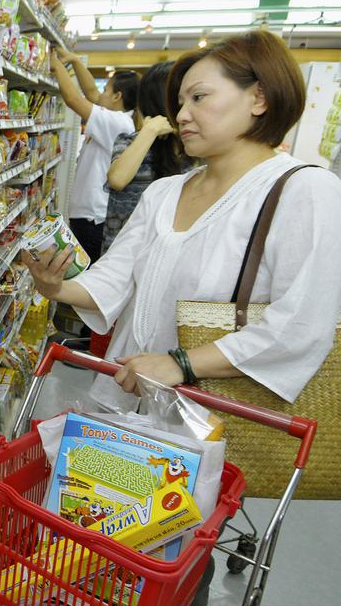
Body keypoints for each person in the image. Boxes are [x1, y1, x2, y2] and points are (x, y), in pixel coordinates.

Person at [23, 29, 341, 415]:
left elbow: (302, 323)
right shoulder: (164, 192)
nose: (181, 115)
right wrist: (55, 286)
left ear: (258, 97)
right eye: (180, 101)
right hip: (125, 399)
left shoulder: (304, 190)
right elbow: (114, 278)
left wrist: (181, 362)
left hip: (206, 418)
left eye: (199, 97)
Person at [50, 49, 139, 262]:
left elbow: (73, 99)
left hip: (92, 219)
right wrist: (73, 60)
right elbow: (90, 92)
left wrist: (55, 64)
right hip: (89, 215)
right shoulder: (119, 118)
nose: (101, 95)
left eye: (106, 90)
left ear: (117, 96)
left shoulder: (117, 122)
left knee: (82, 276)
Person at [102, 61, 193, 254]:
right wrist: (150, 130)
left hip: (166, 258)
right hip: (121, 261)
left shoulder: (192, 149)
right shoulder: (130, 143)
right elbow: (117, 179)